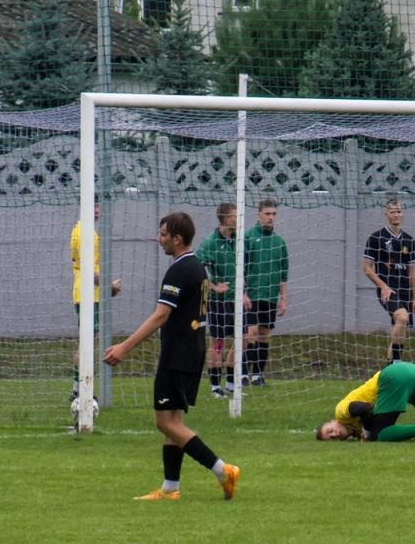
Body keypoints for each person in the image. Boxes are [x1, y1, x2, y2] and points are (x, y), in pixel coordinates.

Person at [104, 212, 240, 502]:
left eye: (163, 234)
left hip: (179, 354)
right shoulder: (196, 267)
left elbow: (160, 315)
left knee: (165, 422)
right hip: (191, 351)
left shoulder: (180, 270)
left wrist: (124, 347)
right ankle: (170, 488)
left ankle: (222, 470)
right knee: (173, 421)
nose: (159, 239)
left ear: (177, 239)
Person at [315, 360, 415, 443]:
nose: (334, 435)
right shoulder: (356, 431)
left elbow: (364, 409)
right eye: (331, 439)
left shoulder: (340, 412)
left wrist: (367, 433)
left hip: (393, 376)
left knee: (379, 435)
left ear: (334, 422)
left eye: (329, 431)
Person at [70, 201, 122, 408]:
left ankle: (78, 388)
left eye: (98, 206)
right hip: (87, 295)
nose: (97, 210)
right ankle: (81, 389)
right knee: (87, 343)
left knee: (88, 342)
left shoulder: (83, 230)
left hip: (88, 294)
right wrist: (110, 285)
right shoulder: (85, 234)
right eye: (93, 206)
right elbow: (89, 272)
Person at [362, 197, 415, 363]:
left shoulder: (409, 240)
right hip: (388, 289)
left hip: (404, 290)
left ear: (403, 214)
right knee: (402, 318)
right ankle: (396, 363)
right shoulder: (376, 237)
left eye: (399, 211)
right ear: (386, 214)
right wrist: (382, 286)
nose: (396, 215)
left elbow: (412, 271)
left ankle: (390, 364)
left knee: (400, 327)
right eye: (392, 212)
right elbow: (366, 268)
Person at [241, 199, 288, 386]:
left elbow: (283, 274)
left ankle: (258, 375)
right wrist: (243, 293)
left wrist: (283, 298)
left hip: (270, 296)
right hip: (251, 295)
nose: (271, 217)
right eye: (267, 214)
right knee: (250, 332)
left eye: (274, 214)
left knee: (264, 334)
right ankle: (243, 373)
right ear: (258, 214)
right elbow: (239, 269)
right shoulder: (248, 237)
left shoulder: (279, 242)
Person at [198, 202, 239, 397]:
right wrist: (215, 286)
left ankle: (231, 384)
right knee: (218, 342)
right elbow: (196, 270)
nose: (238, 219)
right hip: (218, 302)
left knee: (246, 337)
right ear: (225, 219)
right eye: (234, 216)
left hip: (238, 300)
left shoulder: (238, 241)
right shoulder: (209, 243)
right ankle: (215, 387)